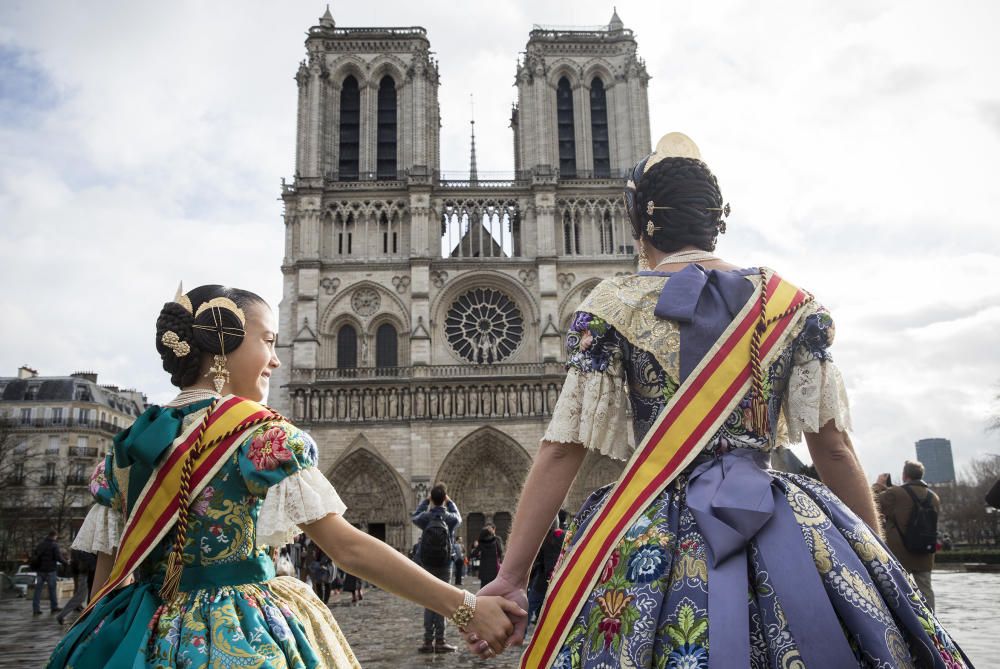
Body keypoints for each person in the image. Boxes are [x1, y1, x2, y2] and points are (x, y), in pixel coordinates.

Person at [465, 134, 973, 668]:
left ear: (640, 227)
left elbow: (562, 449)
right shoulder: (793, 305)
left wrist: (513, 576)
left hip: (654, 527)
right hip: (784, 519)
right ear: (716, 219)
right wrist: (874, 563)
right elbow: (836, 451)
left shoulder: (611, 305)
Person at [48, 284, 523, 668]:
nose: (276, 360)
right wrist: (465, 606)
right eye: (269, 342)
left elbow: (107, 586)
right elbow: (350, 548)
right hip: (235, 638)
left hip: (139, 638)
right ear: (224, 343)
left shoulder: (127, 446)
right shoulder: (262, 437)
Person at [874, 460, 942, 610]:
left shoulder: (895, 493)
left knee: (897, 587)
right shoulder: (934, 497)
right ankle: (932, 623)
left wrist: (879, 485)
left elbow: (871, 502)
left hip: (900, 551)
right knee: (926, 589)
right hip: (925, 551)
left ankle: (902, 621)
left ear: (905, 476)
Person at [411, 483, 462, 653]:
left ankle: (427, 641)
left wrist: (426, 502)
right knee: (442, 601)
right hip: (445, 564)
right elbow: (459, 517)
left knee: (429, 601)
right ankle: (440, 640)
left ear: (432, 498)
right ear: (444, 498)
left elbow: (415, 516)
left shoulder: (425, 518)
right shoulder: (450, 518)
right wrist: (450, 502)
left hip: (427, 564)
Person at [526, 519, 563, 626]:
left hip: (542, 579)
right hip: (558, 578)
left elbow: (538, 559)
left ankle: (522, 633)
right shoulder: (564, 536)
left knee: (531, 606)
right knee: (550, 608)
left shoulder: (543, 539)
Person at [31, 530, 66, 615]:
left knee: (38, 591)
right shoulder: (54, 545)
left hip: (40, 571)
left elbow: (35, 555)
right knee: (52, 590)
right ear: (54, 536)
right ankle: (54, 607)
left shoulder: (40, 545)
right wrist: (66, 562)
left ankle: (36, 609)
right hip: (51, 571)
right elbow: (58, 557)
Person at [56, 549, 96, 625]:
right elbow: (86, 558)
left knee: (83, 597)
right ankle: (61, 615)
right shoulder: (83, 546)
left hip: (86, 572)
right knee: (80, 597)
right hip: (86, 573)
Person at [471, 524, 503, 589]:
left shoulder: (482, 543)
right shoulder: (496, 540)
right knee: (494, 588)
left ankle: (482, 599)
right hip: (494, 569)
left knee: (484, 588)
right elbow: (500, 551)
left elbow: (473, 554)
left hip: (484, 570)